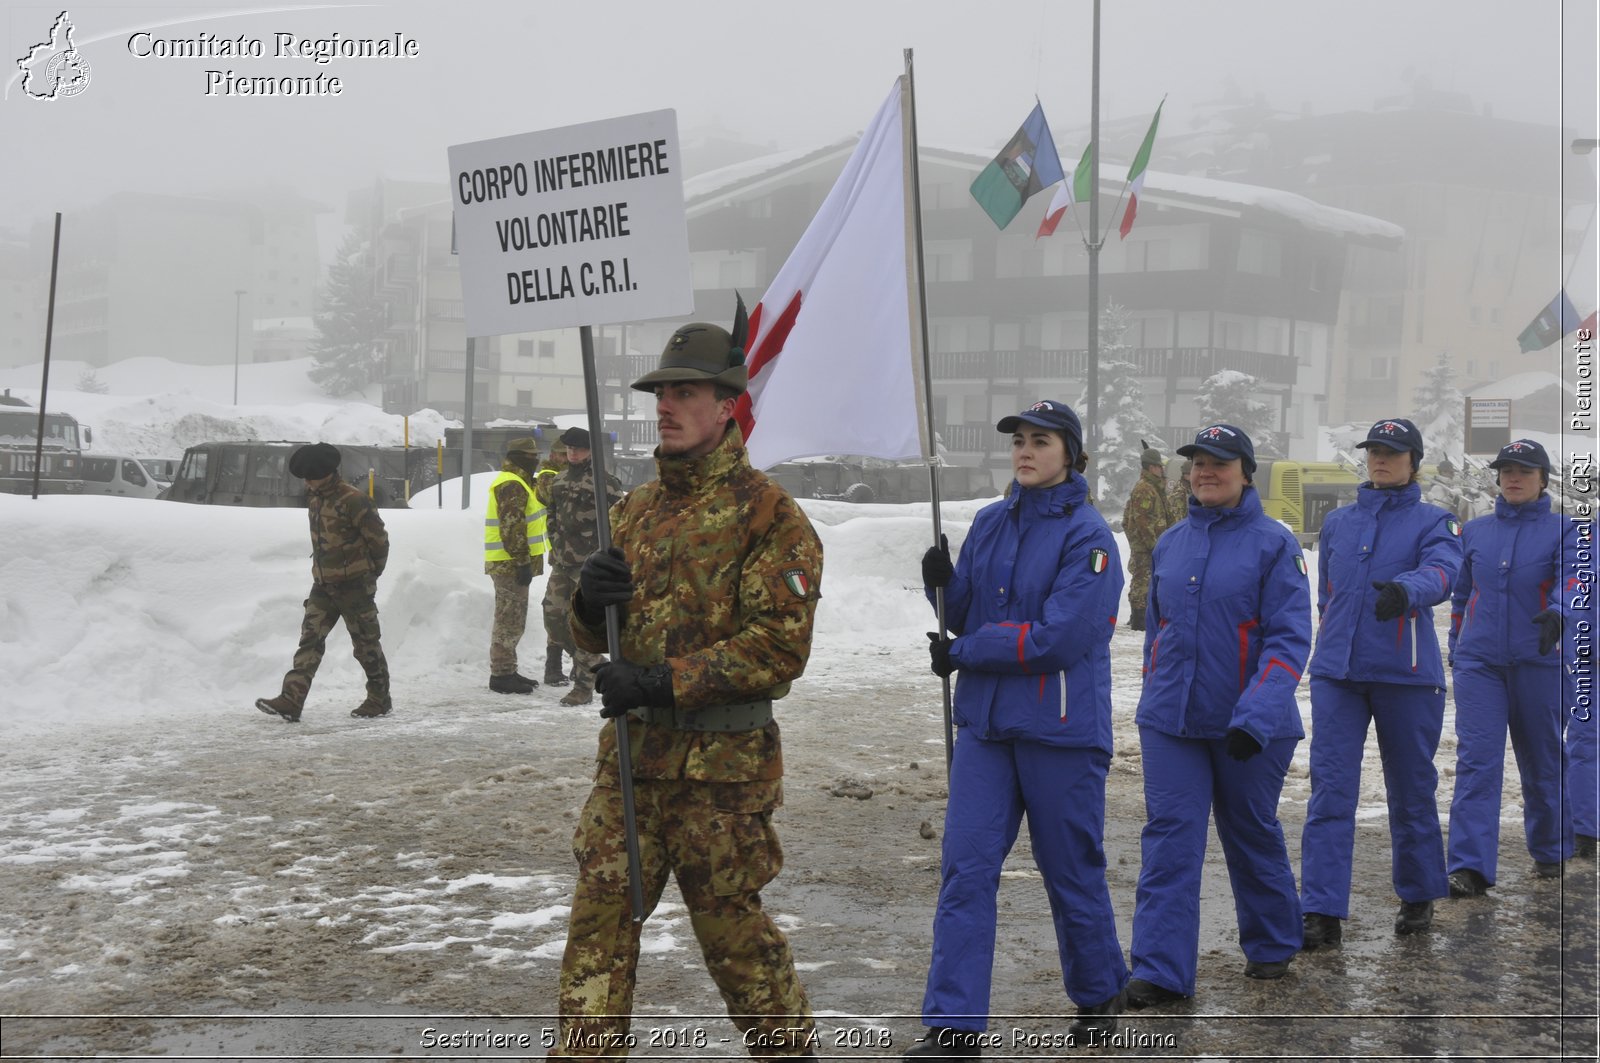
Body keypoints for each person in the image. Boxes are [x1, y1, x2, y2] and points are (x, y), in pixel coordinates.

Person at [554, 299, 824, 1060]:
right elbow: (590, 637)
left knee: (736, 943)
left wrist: (662, 682)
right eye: (660, 395)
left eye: (684, 394)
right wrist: (586, 601)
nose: (666, 408)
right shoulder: (632, 512)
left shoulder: (770, 515)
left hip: (720, 778)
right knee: (596, 933)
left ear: (727, 404)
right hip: (631, 767)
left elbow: (779, 646)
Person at [908, 399, 1128, 1058]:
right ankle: (954, 1024)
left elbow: (1060, 638)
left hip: (1060, 730)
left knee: (1069, 870)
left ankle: (1097, 990)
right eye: (1019, 441)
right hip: (988, 726)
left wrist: (967, 648)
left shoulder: (1091, 539)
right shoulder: (988, 522)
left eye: (1041, 441)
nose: (1025, 451)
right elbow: (964, 616)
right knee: (965, 869)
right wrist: (942, 588)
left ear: (1072, 454)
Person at [1123, 424, 1312, 1010]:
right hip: (1171, 724)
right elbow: (1159, 630)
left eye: (1220, 462)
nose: (1206, 471)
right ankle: (1161, 969)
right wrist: (1155, 690)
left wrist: (1255, 715)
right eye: (1198, 462)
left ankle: (1273, 942)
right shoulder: (1173, 542)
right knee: (1170, 838)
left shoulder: (1274, 544)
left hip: (1249, 727)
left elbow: (1289, 640)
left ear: (1245, 472)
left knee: (1249, 829)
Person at [1300, 418, 1463, 947]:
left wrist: (1406, 590)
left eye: (1392, 452)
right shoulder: (1340, 524)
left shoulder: (1436, 521)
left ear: (1413, 461)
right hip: (1338, 675)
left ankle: (1417, 896)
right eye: (1374, 450)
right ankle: (1321, 909)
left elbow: (1444, 571)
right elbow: (1328, 593)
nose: (1380, 459)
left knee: (1412, 791)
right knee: (1329, 791)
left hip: (1406, 676)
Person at [1446, 439, 1578, 893]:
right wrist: (1456, 643)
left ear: (1543, 479)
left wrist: (1559, 613)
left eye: (1523, 470)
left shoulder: (1565, 531)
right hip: (1480, 663)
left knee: (1542, 761)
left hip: (1540, 661)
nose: (1513, 478)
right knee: (1477, 761)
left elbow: (1576, 579)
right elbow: (1463, 594)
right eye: (1505, 471)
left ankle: (1551, 848)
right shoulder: (1476, 531)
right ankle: (1469, 866)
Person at [255, 442, 392, 722]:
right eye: (304, 479)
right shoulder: (315, 498)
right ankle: (292, 700)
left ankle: (379, 699)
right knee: (310, 640)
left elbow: (379, 541)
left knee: (366, 645)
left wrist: (369, 576)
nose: (307, 483)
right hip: (324, 585)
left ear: (328, 473)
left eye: (311, 477)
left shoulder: (353, 499)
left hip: (354, 585)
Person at [542, 426, 622, 707]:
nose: (572, 453)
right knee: (552, 617)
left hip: (589, 566)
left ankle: (584, 685)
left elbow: (618, 522)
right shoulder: (559, 481)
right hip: (563, 563)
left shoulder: (605, 483)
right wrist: (554, 541)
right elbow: (551, 514)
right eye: (569, 449)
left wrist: (606, 558)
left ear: (590, 451)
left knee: (584, 623)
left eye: (578, 449)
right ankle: (589, 661)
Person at [484, 437, 551, 694]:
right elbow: (512, 527)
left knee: (513, 618)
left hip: (511, 562)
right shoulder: (512, 484)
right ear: (519, 457)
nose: (536, 460)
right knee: (508, 620)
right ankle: (501, 675)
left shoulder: (519, 481)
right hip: (510, 564)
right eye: (531, 456)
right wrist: (523, 561)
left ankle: (507, 669)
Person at [1121, 444, 1175, 631]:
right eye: (1159, 466)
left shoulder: (1153, 487)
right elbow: (1141, 519)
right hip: (1146, 546)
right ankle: (1139, 622)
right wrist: (1153, 544)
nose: (1162, 469)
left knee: (1147, 581)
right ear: (1152, 467)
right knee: (1141, 582)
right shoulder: (1145, 488)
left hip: (1153, 544)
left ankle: (1141, 619)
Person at [535, 438, 572, 686]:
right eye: (564, 453)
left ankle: (562, 666)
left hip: (570, 553)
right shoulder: (550, 476)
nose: (568, 458)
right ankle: (555, 665)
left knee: (567, 612)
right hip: (561, 553)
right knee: (556, 610)